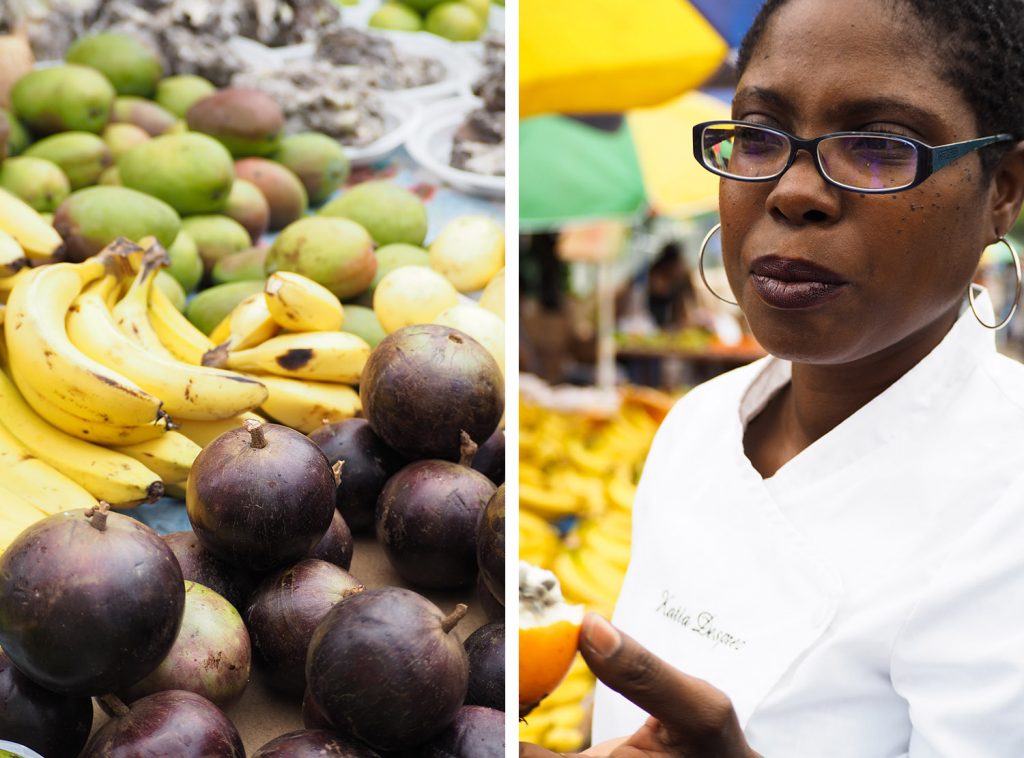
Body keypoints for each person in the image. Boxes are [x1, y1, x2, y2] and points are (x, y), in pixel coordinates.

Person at [521, 0, 1024, 755]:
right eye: (758, 136)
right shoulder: (697, 424)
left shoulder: (1005, 493)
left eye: (880, 146)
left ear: (1004, 191)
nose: (793, 191)